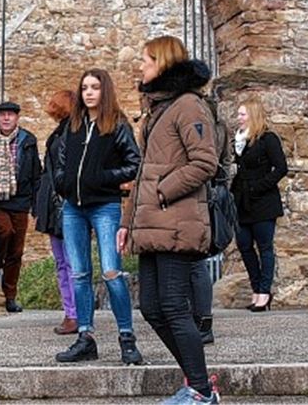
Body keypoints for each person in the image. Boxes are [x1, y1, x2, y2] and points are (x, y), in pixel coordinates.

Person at [120, 35, 219, 404]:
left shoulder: (189, 105)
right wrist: (127, 223)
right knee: (151, 307)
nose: (140, 66)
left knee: (174, 307)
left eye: (146, 60)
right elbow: (143, 172)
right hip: (151, 225)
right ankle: (198, 380)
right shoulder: (158, 109)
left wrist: (163, 191)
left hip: (176, 223)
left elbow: (205, 162)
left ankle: (201, 391)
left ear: (162, 62)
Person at [52, 69, 143, 365]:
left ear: (105, 91)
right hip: (73, 208)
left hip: (105, 206)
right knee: (79, 274)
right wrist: (63, 183)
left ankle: (127, 337)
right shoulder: (73, 125)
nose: (89, 92)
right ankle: (85, 337)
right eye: (84, 88)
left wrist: (102, 178)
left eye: (95, 87)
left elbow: (134, 163)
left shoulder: (116, 124)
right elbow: (60, 161)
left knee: (111, 272)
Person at [0, 100, 41, 313]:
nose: (6, 118)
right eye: (2, 114)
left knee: (16, 251)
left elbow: (36, 173)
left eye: (10, 115)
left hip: (21, 199)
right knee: (5, 231)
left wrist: (36, 203)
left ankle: (9, 296)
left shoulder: (28, 140)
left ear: (17, 118)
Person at [231, 96, 289, 312]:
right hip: (242, 201)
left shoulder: (267, 139)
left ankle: (264, 292)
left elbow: (281, 168)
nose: (238, 118)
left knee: (265, 247)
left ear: (253, 115)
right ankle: (256, 288)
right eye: (238, 114)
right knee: (244, 245)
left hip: (263, 201)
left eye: (242, 114)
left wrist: (259, 186)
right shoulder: (239, 141)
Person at [189, 92, 233, 345]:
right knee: (198, 261)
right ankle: (203, 321)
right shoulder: (219, 127)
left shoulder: (201, 126)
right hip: (212, 192)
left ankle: (199, 320)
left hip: (197, 195)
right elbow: (225, 162)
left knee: (194, 261)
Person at [33, 89, 77, 335]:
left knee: (69, 262)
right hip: (53, 204)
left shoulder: (70, 134)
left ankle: (75, 314)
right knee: (63, 262)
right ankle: (70, 311)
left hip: (63, 204)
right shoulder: (60, 132)